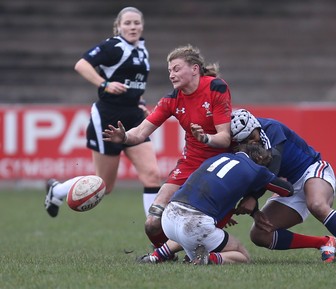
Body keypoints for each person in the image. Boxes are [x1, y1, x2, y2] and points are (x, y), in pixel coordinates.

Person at [103, 44, 233, 251]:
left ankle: (178, 252)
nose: (171, 75)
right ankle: (164, 254)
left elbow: (224, 139)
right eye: (169, 70)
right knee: (152, 223)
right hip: (191, 163)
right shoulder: (171, 99)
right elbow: (141, 132)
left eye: (176, 69)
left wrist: (206, 138)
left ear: (194, 69)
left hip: (221, 164)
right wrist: (125, 136)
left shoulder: (216, 87)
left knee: (200, 226)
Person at [44, 7, 162, 218]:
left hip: (134, 118)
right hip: (109, 117)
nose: (132, 27)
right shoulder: (114, 46)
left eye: (136, 22)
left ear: (142, 25)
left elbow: (134, 83)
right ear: (118, 26)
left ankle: (156, 236)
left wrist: (140, 101)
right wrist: (104, 84)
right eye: (127, 23)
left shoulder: (142, 51)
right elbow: (81, 65)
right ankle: (58, 190)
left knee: (152, 176)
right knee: (104, 186)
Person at [230, 109, 336, 264]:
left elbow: (272, 168)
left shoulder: (272, 128)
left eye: (252, 137)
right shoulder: (240, 147)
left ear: (256, 126)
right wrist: (253, 209)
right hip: (289, 184)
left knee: (317, 204)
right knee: (259, 234)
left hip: (312, 170)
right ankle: (323, 243)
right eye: (245, 141)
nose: (252, 142)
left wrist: (252, 197)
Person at [160, 143, 294, 265]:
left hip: (169, 216)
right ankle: (208, 258)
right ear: (259, 158)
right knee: (242, 255)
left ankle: (157, 255)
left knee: (187, 232)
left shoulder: (220, 157)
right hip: (194, 224)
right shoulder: (257, 169)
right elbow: (288, 190)